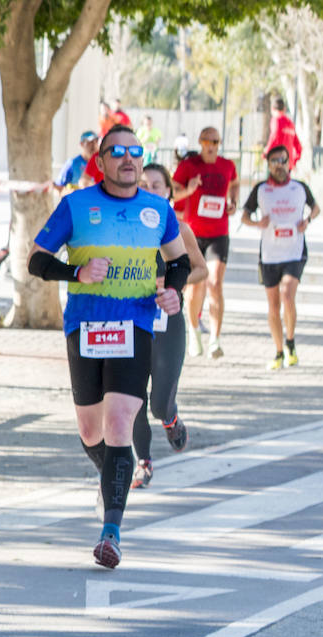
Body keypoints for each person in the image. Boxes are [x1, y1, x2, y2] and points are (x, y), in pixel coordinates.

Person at [28, 124, 191, 568]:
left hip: (134, 323)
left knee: (120, 424)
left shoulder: (158, 211)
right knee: (90, 430)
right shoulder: (76, 206)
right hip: (85, 325)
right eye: (117, 152)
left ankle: (111, 533)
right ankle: (111, 478)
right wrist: (75, 274)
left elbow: (180, 261)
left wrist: (173, 291)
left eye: (135, 153)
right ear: (99, 162)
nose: (128, 159)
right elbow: (37, 260)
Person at [131, 163, 209, 489]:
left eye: (157, 185)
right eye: (143, 184)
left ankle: (171, 418)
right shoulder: (125, 229)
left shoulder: (178, 228)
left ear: (168, 192)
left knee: (159, 401)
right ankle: (143, 463)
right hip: (133, 321)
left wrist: (172, 285)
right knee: (131, 397)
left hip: (168, 322)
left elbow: (202, 270)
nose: (150, 190)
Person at [241, 145, 320, 371]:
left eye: (282, 160)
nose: (279, 164)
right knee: (273, 305)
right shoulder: (261, 189)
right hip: (269, 254)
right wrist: (258, 224)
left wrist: (307, 221)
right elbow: (244, 215)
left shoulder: (299, 187)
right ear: (269, 165)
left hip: (294, 251)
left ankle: (291, 343)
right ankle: (278, 351)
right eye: (274, 161)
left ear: (289, 162)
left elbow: (316, 208)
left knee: (287, 294)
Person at [171, 125, 237, 359]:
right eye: (207, 142)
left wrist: (233, 201)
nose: (211, 146)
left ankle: (215, 340)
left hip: (219, 232)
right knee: (194, 286)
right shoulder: (188, 166)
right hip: (193, 234)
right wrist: (189, 190)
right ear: (200, 142)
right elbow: (172, 193)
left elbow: (235, 184)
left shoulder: (228, 166)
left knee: (215, 283)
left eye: (215, 142)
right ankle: (195, 330)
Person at [265, 98, 303, 171]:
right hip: (288, 164)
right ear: (284, 109)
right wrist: (293, 161)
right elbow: (299, 147)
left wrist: (266, 153)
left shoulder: (276, 120)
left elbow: (274, 137)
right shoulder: (290, 123)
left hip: (277, 164)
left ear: (272, 108)